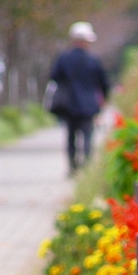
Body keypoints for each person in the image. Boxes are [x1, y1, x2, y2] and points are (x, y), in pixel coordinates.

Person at [50, 22, 110, 176]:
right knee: (88, 136)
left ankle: (72, 166)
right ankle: (87, 167)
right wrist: (103, 100)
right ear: (87, 41)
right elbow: (103, 83)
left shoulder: (64, 58)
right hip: (89, 105)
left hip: (69, 104)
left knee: (71, 136)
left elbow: (54, 77)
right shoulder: (93, 60)